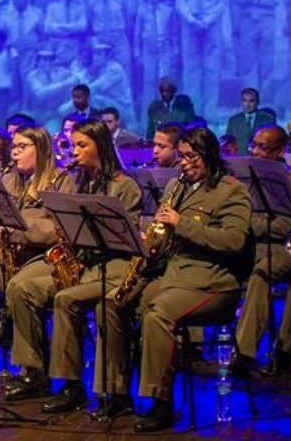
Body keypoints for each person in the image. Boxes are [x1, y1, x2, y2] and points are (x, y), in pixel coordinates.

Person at [93, 126, 252, 431]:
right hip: (173, 275)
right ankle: (116, 391)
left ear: (208, 155)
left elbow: (233, 241)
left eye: (191, 157)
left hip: (213, 281)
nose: (184, 163)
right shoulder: (176, 188)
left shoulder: (231, 190)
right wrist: (148, 240)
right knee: (110, 304)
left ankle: (160, 402)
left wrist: (181, 224)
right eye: (181, 156)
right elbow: (167, 238)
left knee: (158, 315)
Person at [5, 118, 140, 406]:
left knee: (66, 299)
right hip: (84, 264)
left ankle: (72, 385)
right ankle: (34, 372)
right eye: (74, 144)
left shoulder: (123, 185)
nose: (74, 151)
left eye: (82, 145)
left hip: (114, 267)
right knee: (21, 288)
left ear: (100, 146)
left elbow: (127, 242)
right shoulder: (82, 182)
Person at [2, 125, 78, 399]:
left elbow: (58, 230)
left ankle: (33, 370)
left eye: (23, 146)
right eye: (14, 146)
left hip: (49, 256)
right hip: (18, 254)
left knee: (20, 287)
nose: (15, 152)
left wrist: (20, 225)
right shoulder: (10, 180)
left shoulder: (61, 180)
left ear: (42, 149)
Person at [233, 125, 291, 372]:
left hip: (281, 247)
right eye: (254, 145)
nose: (256, 152)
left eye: (264, 147)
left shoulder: (290, 179)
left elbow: (286, 224)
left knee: (261, 274)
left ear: (280, 150)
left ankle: (245, 353)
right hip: (250, 244)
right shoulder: (244, 175)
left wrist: (247, 223)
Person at [176, 0, 226, 120]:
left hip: (211, 24)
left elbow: (222, 1)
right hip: (191, 25)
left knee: (211, 68)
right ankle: (194, 111)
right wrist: (191, 20)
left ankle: (210, 111)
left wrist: (208, 19)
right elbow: (180, 2)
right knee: (191, 69)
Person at [234, 0, 278, 93]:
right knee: (248, 61)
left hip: (267, 21)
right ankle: (249, 97)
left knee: (267, 61)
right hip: (248, 21)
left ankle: (266, 98)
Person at [225, 88, 275, 154]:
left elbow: (272, 142)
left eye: (251, 101)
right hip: (239, 159)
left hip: (260, 159)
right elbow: (228, 143)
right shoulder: (233, 120)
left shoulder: (268, 119)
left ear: (257, 102)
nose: (247, 104)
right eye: (244, 100)